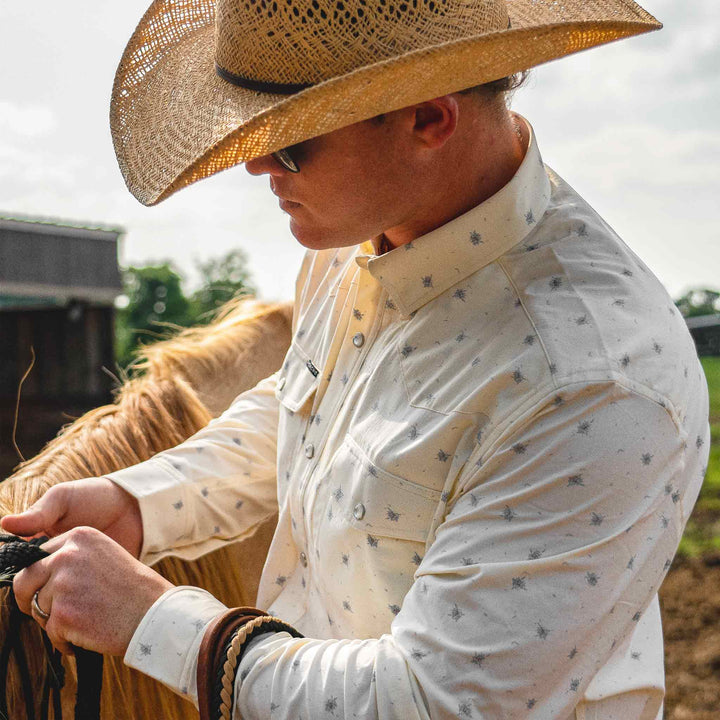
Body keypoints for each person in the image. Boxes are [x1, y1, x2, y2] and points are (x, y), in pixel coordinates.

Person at [2, 1, 711, 718]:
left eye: (290, 143)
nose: (253, 164)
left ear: (429, 119)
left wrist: (153, 622)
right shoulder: (359, 247)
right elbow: (298, 412)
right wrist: (139, 504)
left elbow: (431, 703)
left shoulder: (589, 381)